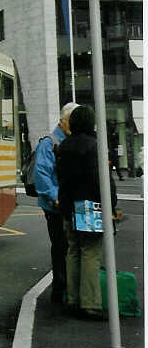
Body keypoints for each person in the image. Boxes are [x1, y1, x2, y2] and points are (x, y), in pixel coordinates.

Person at [57, 105, 104, 320]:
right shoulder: (94, 146)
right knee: (90, 252)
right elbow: (98, 180)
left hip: (69, 205)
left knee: (73, 250)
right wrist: (111, 203)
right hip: (90, 206)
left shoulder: (64, 146)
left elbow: (62, 179)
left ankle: (73, 299)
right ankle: (91, 303)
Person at [33, 102, 77, 304]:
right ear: (62, 121)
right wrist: (56, 197)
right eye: (71, 120)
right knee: (60, 246)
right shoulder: (49, 143)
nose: (73, 125)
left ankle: (69, 288)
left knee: (69, 246)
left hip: (69, 202)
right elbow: (41, 173)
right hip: (55, 205)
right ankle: (59, 290)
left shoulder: (71, 140)